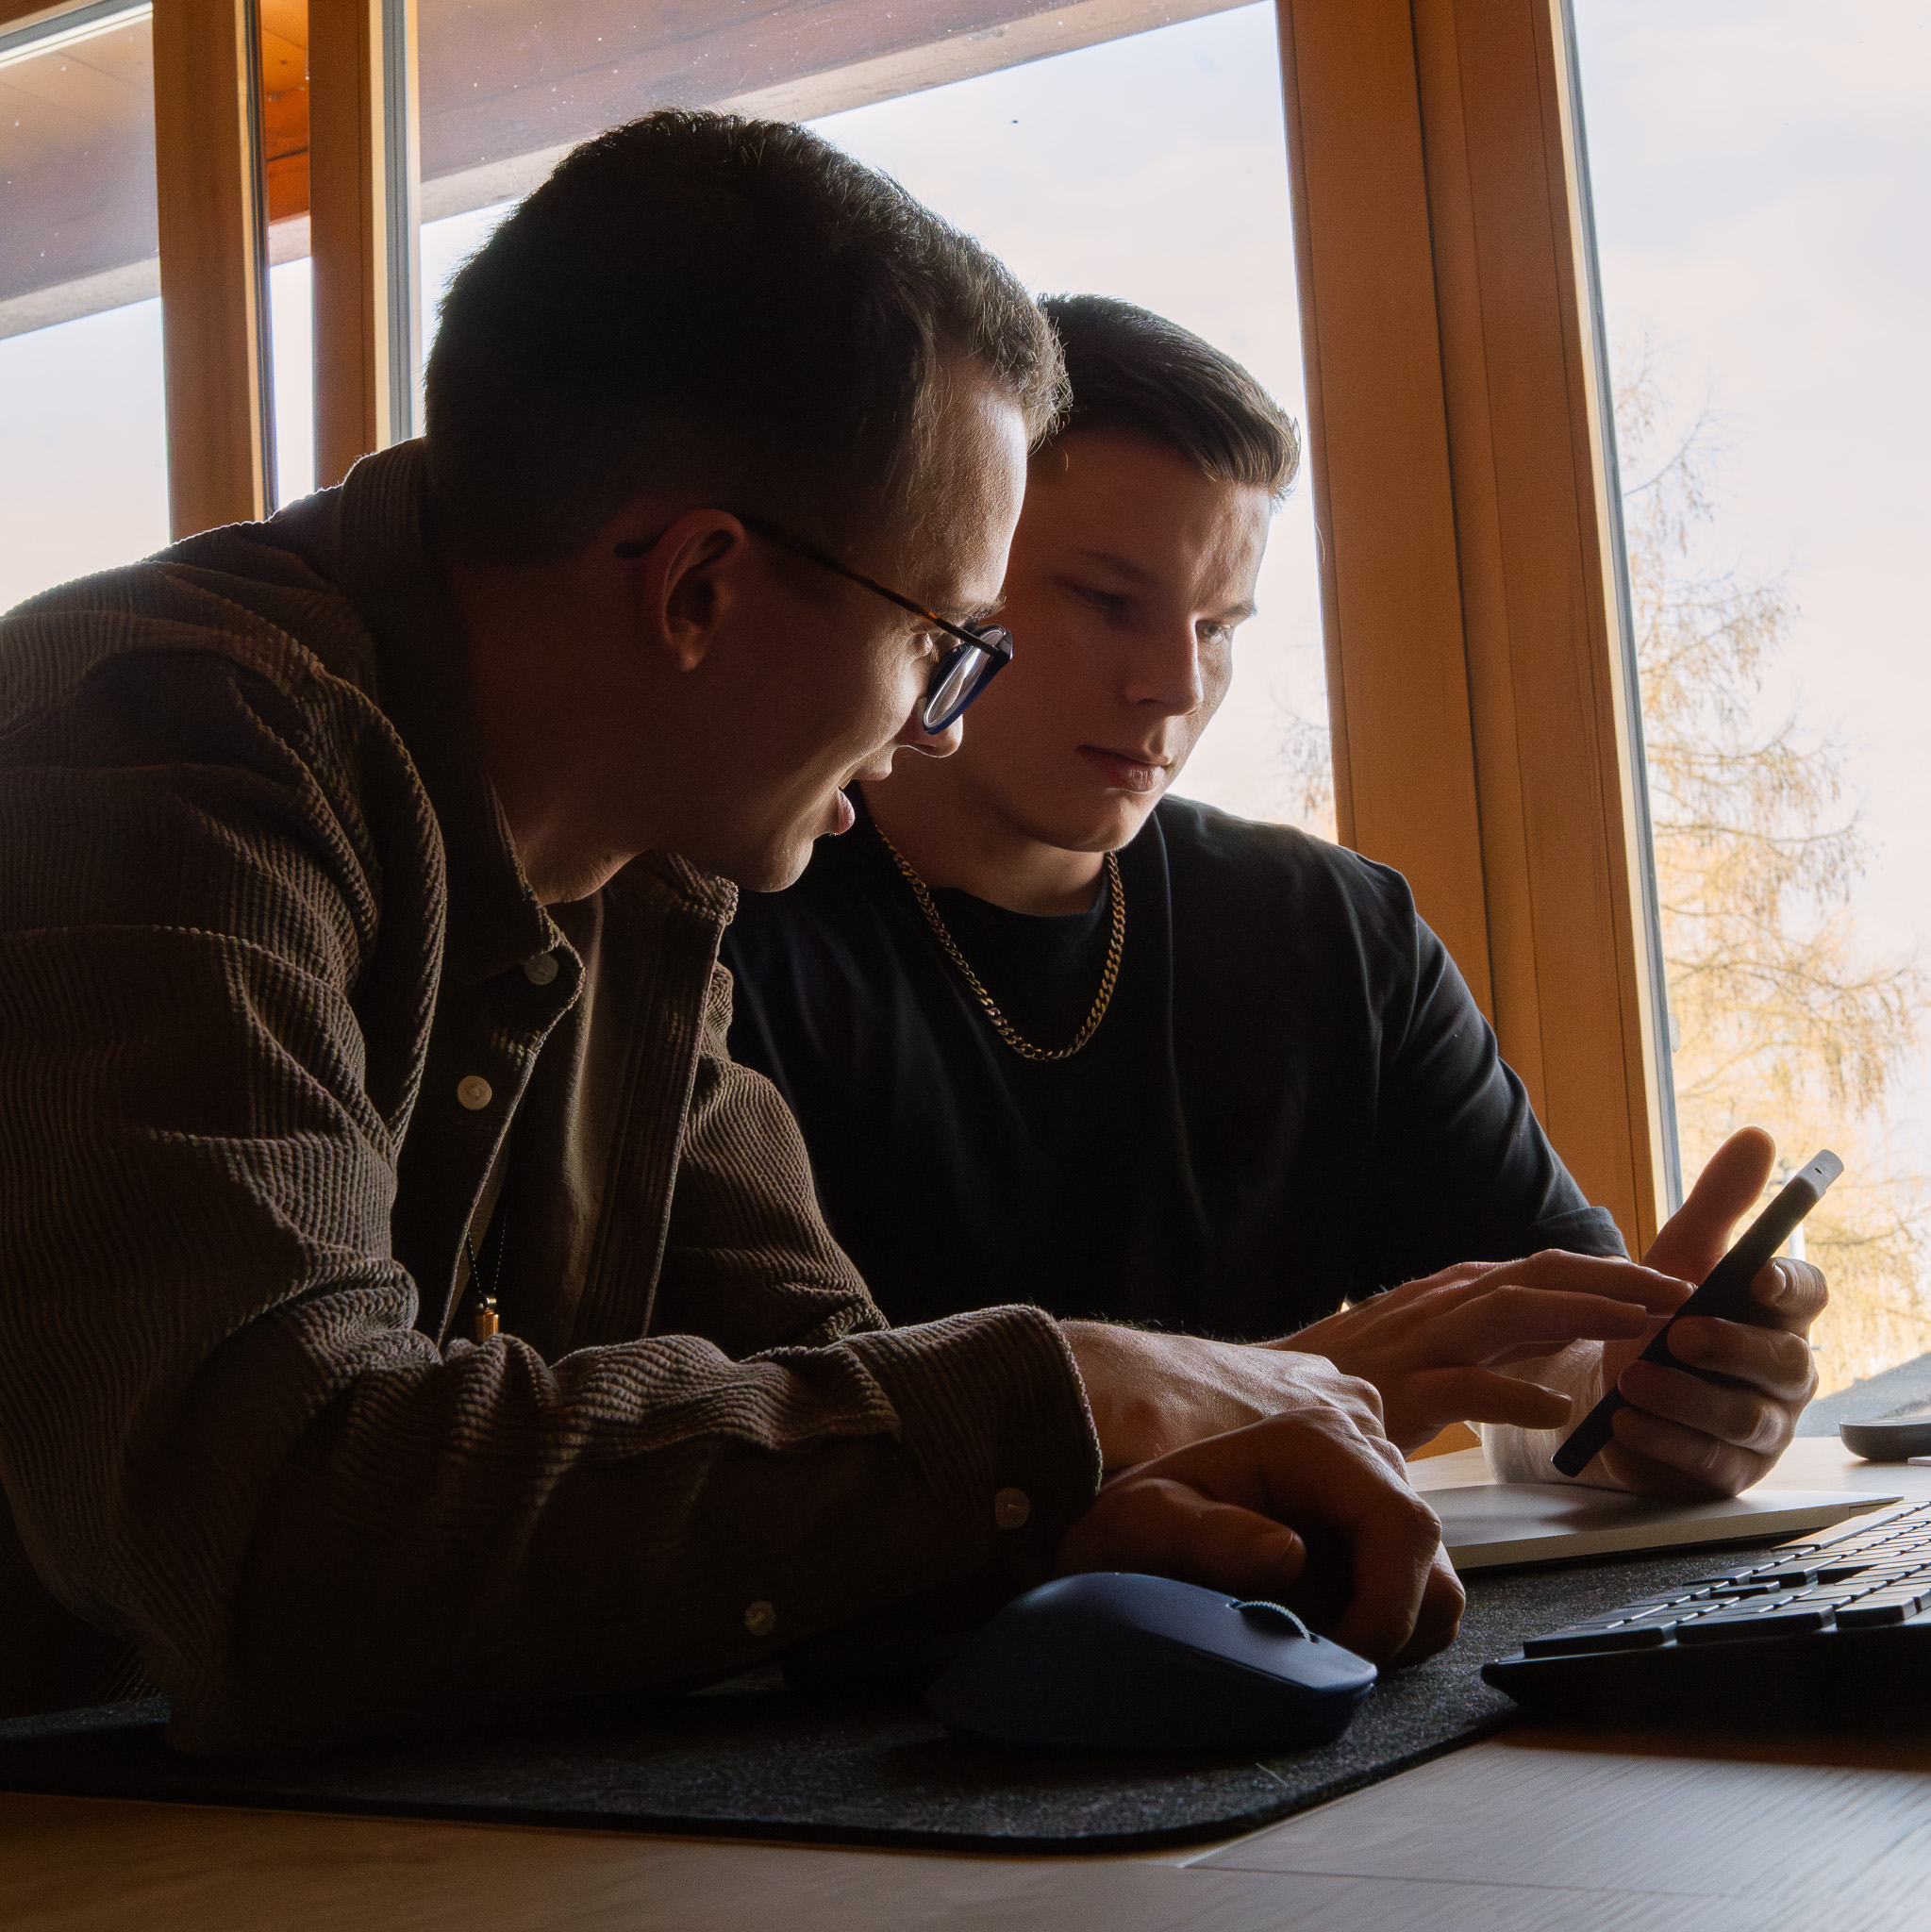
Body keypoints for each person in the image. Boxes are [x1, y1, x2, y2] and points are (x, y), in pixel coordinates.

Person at [0, 117, 1474, 1751]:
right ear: (699, 586)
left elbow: (813, 1390)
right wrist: (1074, 1391)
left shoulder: (641, 855)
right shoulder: (154, 747)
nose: (931, 724)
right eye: (942, 640)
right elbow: (277, 1528)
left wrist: (1082, 1522)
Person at [723, 295, 1825, 1496]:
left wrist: (1643, 1397)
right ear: (955, 571)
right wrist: (1288, 1390)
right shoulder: (727, 926)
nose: (1174, 683)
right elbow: (773, 1475)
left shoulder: (1336, 931)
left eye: (1218, 625)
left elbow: (1545, 1347)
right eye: (1106, 600)